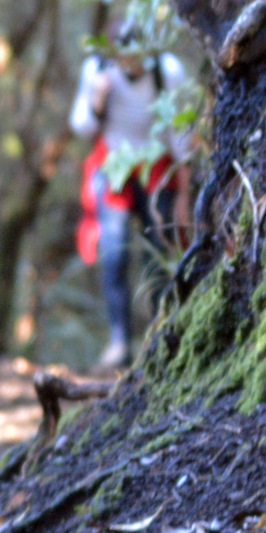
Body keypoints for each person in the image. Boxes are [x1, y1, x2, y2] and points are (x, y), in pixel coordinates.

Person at [69, 35, 192, 370]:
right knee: (114, 253)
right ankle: (118, 341)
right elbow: (81, 126)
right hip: (114, 168)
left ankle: (161, 333)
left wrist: (184, 192)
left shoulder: (167, 71)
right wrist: (97, 98)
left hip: (156, 168)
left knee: (159, 252)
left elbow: (180, 135)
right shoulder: (96, 70)